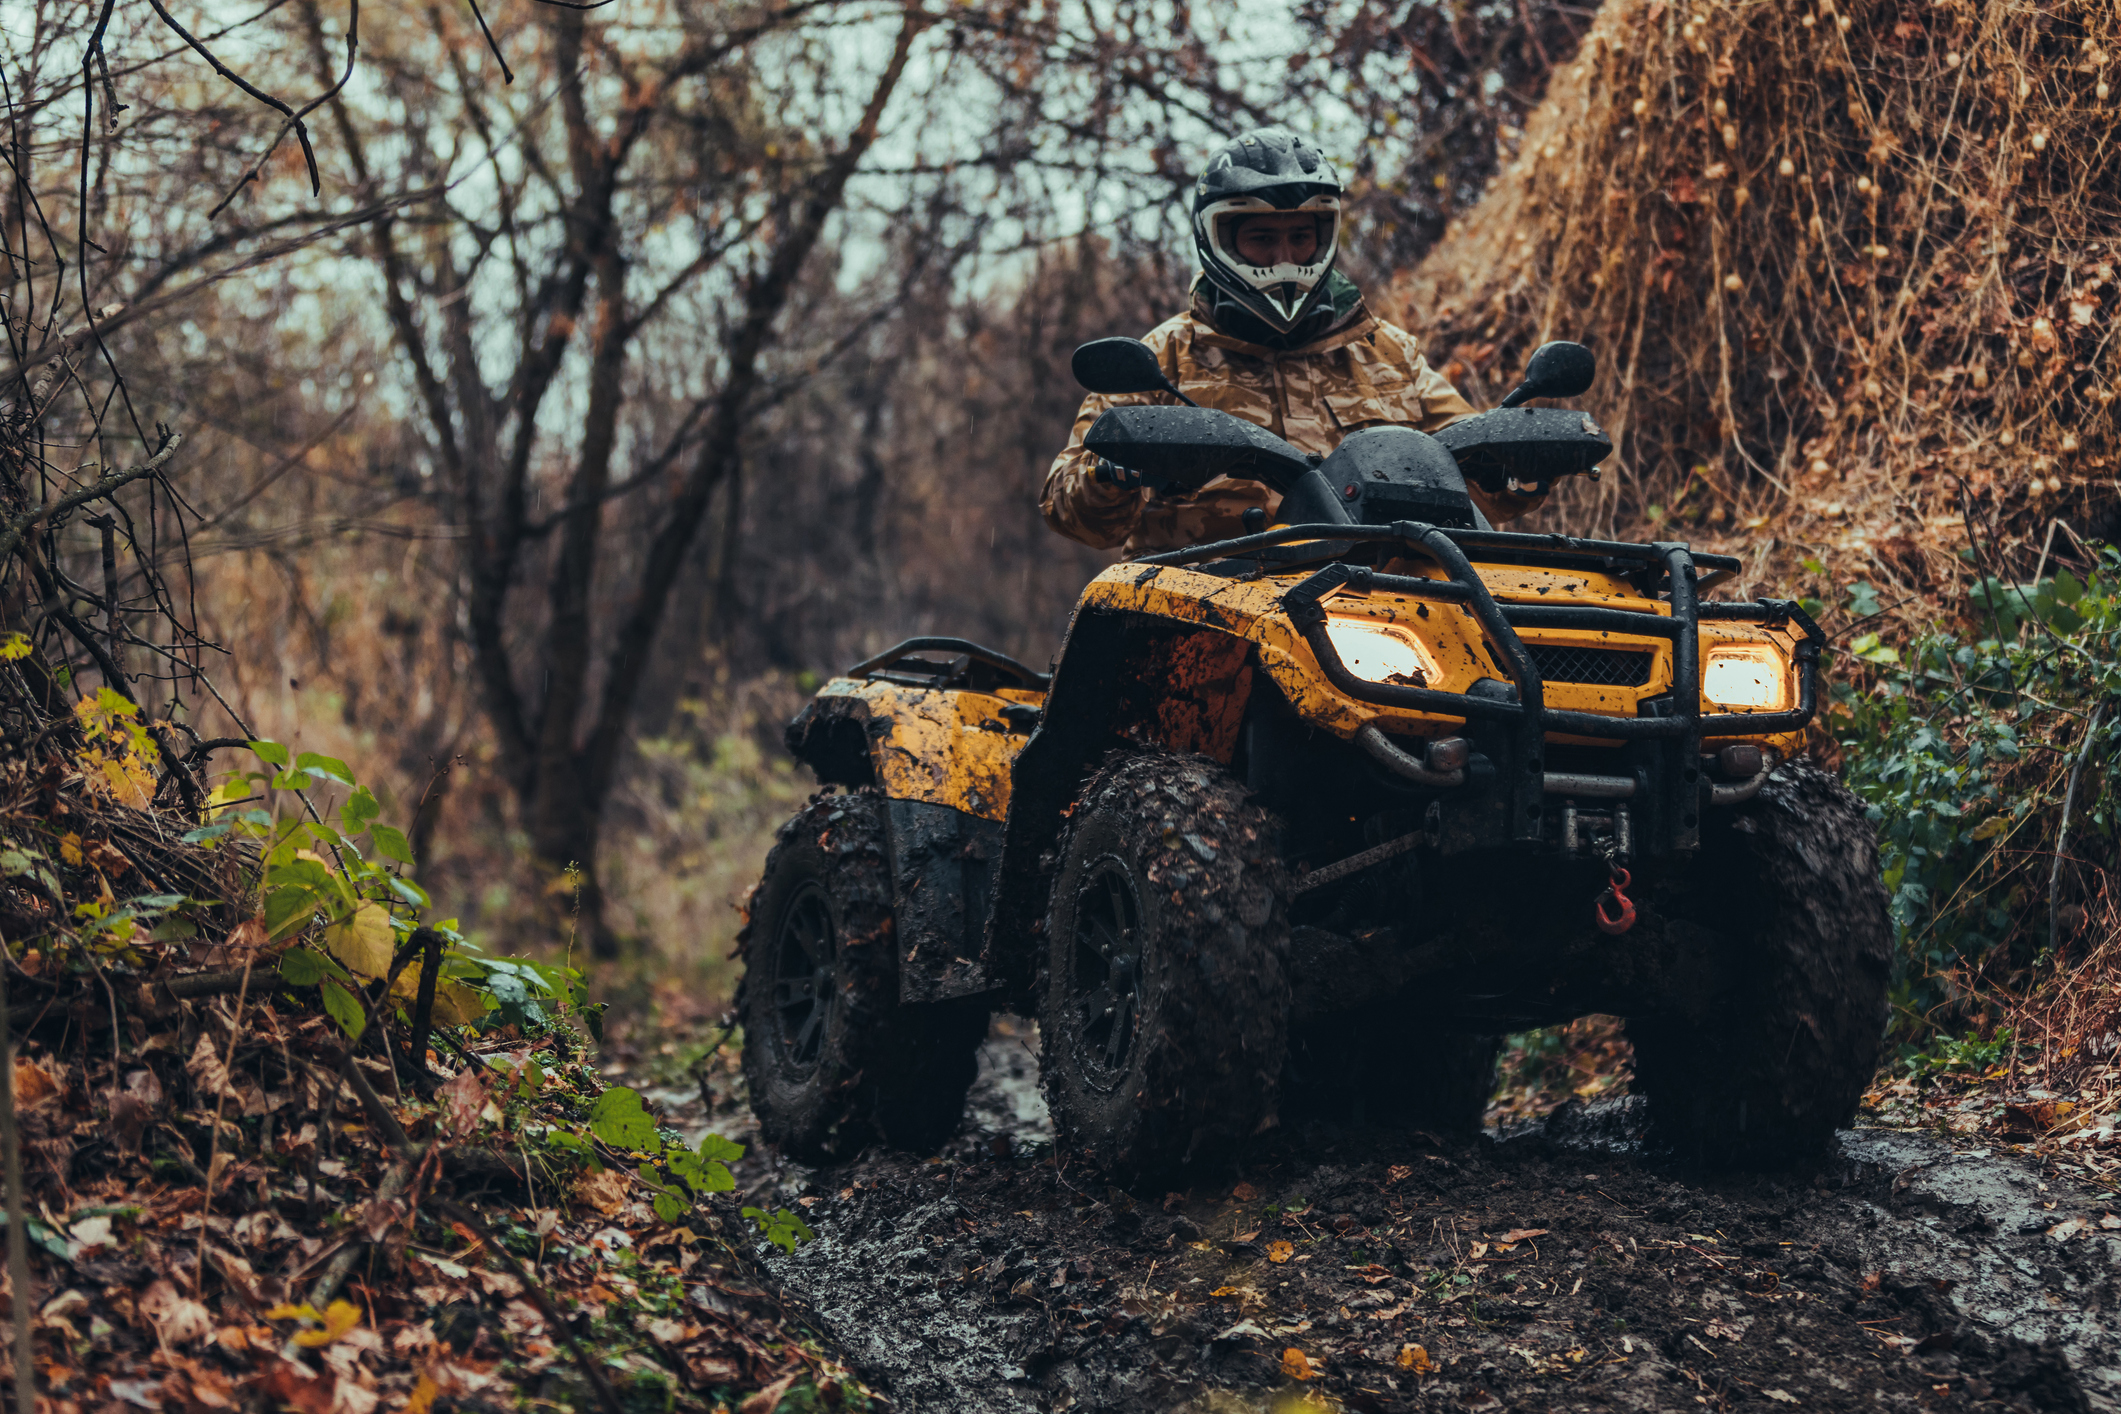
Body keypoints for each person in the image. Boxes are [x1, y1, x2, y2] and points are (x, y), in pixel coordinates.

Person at [1042, 127, 1548, 559]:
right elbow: (1073, 514)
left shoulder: (1390, 354)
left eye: (1300, 237)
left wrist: (1518, 463)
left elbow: (1481, 489)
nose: (1284, 258)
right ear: (1217, 238)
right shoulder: (1163, 358)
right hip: (1201, 612)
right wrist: (1111, 473)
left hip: (1379, 610)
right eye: (1262, 239)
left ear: (1324, 235)